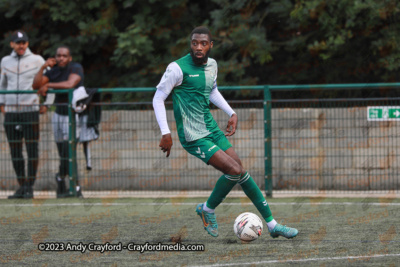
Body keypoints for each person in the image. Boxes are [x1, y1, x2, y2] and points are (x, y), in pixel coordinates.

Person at [153, 26, 298, 238]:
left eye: (203, 43)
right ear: (190, 44)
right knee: (233, 170)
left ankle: (273, 225)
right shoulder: (176, 68)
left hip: (211, 128)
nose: (199, 47)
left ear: (211, 45)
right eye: (195, 43)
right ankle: (207, 209)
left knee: (240, 169)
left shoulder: (212, 65)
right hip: (193, 136)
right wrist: (166, 133)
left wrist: (231, 112)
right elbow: (158, 98)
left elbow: (211, 90)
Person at [0, 30, 48, 199]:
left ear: (27, 43)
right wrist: (2, 103)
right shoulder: (5, 61)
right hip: (12, 112)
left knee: (32, 148)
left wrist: (47, 103)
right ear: (12, 44)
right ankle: (22, 185)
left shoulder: (37, 60)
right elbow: (3, 85)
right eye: (18, 43)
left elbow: (48, 81)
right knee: (15, 150)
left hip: (30, 110)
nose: (21, 46)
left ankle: (30, 185)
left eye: (24, 42)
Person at [32, 45, 83, 198]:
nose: (61, 58)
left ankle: (76, 186)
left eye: (64, 55)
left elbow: (70, 84)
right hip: (58, 116)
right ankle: (61, 180)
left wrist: (48, 85)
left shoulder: (75, 68)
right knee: (63, 153)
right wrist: (42, 67)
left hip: (72, 115)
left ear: (70, 58)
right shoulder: (53, 71)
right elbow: (36, 85)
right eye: (59, 55)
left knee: (70, 152)